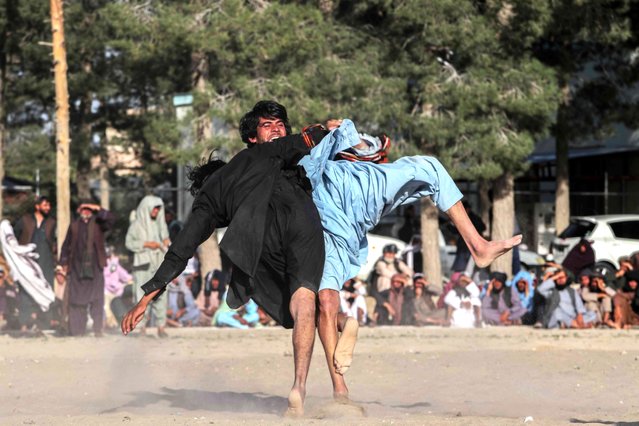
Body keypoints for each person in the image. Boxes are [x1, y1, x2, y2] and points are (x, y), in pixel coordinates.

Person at [122, 101, 521, 415]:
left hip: (330, 205)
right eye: (267, 125)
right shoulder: (265, 158)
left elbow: (184, 246)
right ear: (251, 140)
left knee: (428, 169)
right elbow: (310, 137)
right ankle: (340, 390)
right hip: (317, 219)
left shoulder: (234, 183)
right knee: (322, 300)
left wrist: (148, 295)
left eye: (279, 123)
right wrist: (329, 129)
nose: (277, 128)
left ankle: (478, 246)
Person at [57, 202, 115, 337]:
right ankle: (77, 331)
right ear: (79, 210)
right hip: (77, 269)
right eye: (84, 208)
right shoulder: (74, 226)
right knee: (77, 301)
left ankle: (98, 330)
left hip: (95, 269)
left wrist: (97, 208)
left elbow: (111, 219)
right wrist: (63, 265)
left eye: (89, 209)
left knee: (97, 300)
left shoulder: (99, 224)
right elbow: (66, 246)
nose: (87, 211)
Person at [125, 195, 171, 338]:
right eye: (154, 209)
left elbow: (166, 241)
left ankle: (161, 327)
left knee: (161, 295)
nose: (156, 212)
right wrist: (146, 244)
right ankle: (141, 327)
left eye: (158, 209)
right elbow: (129, 243)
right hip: (143, 266)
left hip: (158, 264)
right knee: (141, 295)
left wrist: (165, 241)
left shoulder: (160, 225)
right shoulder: (136, 225)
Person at [13, 196, 57, 330]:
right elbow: (13, 238)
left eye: (49, 205)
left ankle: (42, 324)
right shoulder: (25, 220)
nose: (48, 208)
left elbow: (54, 242)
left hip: (46, 263)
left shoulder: (51, 222)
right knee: (25, 293)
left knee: (45, 292)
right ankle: (24, 324)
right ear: (37, 206)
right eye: (45, 205)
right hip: (27, 263)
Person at [450, 200, 486, 274]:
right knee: (461, 268)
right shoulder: (461, 218)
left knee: (470, 269)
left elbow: (482, 227)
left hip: (472, 246)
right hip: (464, 245)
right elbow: (456, 231)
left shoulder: (474, 218)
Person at [103, 246, 133, 329]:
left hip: (117, 291)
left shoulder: (115, 264)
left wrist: (131, 278)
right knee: (106, 308)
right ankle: (110, 323)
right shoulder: (103, 264)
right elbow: (108, 273)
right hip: (106, 291)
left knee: (133, 288)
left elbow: (125, 276)